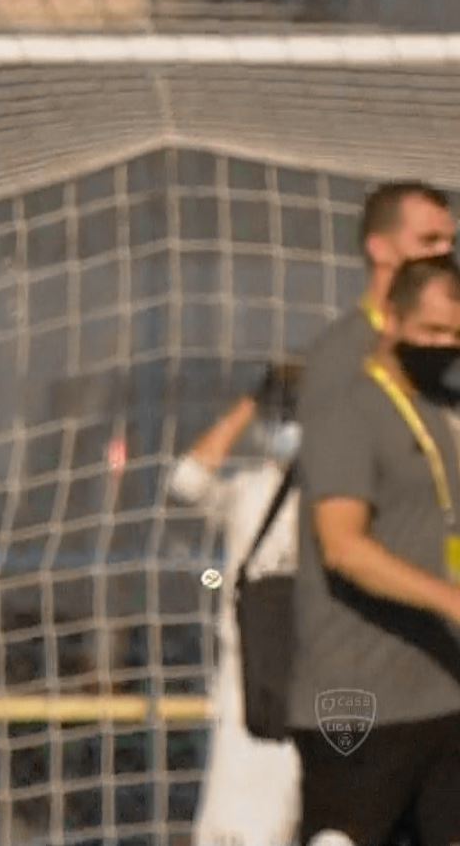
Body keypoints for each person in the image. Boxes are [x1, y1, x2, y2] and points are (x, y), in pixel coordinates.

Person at [295, 254, 460, 846]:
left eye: (456, 336)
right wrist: (450, 598)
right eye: (433, 332)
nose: (444, 347)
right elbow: (343, 547)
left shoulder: (435, 411)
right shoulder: (345, 408)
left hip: (439, 690)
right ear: (392, 321)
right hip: (358, 700)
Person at [166, 363, 303, 846]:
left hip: (321, 680)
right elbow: (187, 480)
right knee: (237, 824)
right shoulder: (252, 487)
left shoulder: (341, 495)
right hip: (248, 681)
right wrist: (251, 402)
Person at [297, 182, 454, 429]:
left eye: (450, 242)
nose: (445, 252)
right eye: (429, 240)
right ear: (380, 249)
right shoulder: (345, 355)